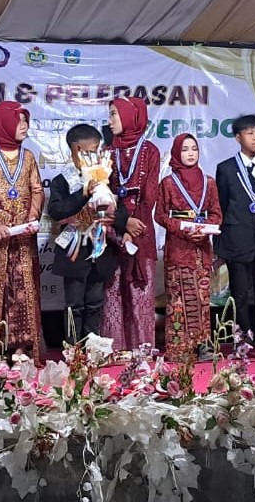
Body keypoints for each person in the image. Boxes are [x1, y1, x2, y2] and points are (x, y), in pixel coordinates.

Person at [0, 101, 44, 363]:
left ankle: (21, 347)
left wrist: (32, 218)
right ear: (4, 123)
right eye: (19, 121)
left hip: (23, 234)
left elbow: (37, 189)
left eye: (26, 121)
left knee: (23, 288)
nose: (24, 126)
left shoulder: (28, 156)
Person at [48, 124, 127, 343]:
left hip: (100, 250)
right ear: (76, 149)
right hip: (75, 252)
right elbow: (56, 211)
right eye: (91, 151)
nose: (95, 156)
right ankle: (72, 349)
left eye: (97, 151)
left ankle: (93, 349)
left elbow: (121, 209)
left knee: (95, 303)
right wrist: (84, 194)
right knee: (74, 305)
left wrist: (115, 218)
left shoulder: (105, 178)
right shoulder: (62, 181)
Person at [214, 115, 255, 359]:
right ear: (238, 137)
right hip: (237, 240)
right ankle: (241, 341)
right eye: (250, 133)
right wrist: (219, 245)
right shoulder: (226, 169)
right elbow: (221, 207)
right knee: (240, 295)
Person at [101, 96, 160, 351]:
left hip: (141, 229)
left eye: (114, 114)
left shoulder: (149, 151)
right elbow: (102, 194)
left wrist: (133, 228)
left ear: (129, 116)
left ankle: (142, 350)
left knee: (139, 292)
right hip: (113, 230)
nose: (109, 121)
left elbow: (150, 196)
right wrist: (122, 224)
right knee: (113, 292)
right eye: (110, 114)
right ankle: (115, 350)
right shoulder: (107, 152)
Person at [156, 133, 222, 361]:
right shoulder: (168, 183)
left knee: (202, 298)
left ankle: (203, 346)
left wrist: (203, 229)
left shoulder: (209, 181)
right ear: (176, 153)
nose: (190, 153)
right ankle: (179, 349)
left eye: (194, 148)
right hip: (178, 247)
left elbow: (216, 214)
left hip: (201, 248)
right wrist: (184, 229)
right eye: (185, 149)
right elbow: (160, 215)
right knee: (178, 299)